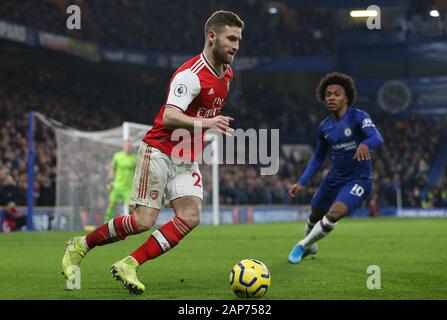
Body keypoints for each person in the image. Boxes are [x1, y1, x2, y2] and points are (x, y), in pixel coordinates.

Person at [61, 10, 244, 294]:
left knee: (190, 216)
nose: (236, 46)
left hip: (186, 156)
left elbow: (200, 115)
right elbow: (170, 116)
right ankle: (81, 245)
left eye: (239, 40)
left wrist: (204, 134)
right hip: (159, 150)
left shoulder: (228, 74)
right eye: (231, 39)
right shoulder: (190, 75)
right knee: (143, 221)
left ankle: (130, 264)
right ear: (212, 36)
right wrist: (207, 122)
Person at [287, 72, 384, 264]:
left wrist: (365, 144)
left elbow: (377, 138)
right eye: (328, 94)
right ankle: (310, 245)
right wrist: (302, 182)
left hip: (358, 180)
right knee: (315, 213)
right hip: (334, 178)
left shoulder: (358, 117)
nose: (331, 97)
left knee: (332, 214)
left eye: (336, 94)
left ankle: (301, 245)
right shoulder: (324, 127)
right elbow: (318, 157)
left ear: (346, 98)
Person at [104, 140, 136, 223]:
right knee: (111, 206)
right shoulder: (117, 156)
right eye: (127, 145)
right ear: (123, 146)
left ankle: (130, 225)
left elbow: (137, 172)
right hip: (116, 186)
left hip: (128, 188)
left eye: (129, 145)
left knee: (131, 208)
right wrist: (109, 180)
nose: (128, 147)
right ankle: (105, 224)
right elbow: (112, 169)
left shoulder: (134, 158)